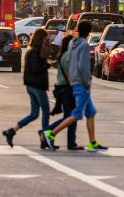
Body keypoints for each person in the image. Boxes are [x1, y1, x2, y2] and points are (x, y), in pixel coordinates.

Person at [43, 20, 107, 152]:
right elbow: (83, 67)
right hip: (81, 83)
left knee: (90, 112)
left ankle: (92, 142)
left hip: (74, 81)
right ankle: (51, 133)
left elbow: (70, 61)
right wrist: (87, 83)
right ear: (89, 32)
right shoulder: (84, 45)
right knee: (77, 114)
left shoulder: (72, 43)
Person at [2, 27, 51, 148]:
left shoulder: (32, 50)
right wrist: (47, 65)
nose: (47, 40)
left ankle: (12, 131)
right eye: (46, 39)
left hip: (31, 86)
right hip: (37, 86)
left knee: (34, 114)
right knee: (46, 111)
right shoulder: (35, 52)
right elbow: (36, 69)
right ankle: (45, 137)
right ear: (41, 38)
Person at [47, 35, 81, 150]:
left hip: (64, 88)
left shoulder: (64, 55)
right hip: (67, 89)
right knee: (70, 117)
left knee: (71, 117)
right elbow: (69, 75)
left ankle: (71, 143)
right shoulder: (67, 56)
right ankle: (47, 131)